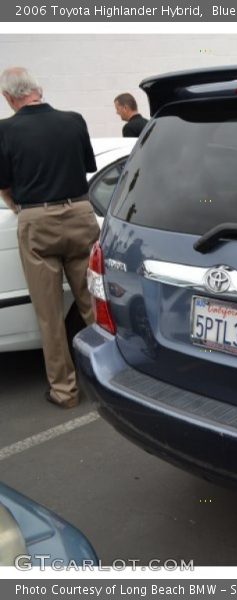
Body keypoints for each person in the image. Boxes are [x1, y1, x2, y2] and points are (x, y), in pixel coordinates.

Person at [0, 67, 98, 409]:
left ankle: (65, 391)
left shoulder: (5, 130)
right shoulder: (74, 120)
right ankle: (113, 379)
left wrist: (17, 205)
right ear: (38, 89)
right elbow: (87, 165)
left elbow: (4, 182)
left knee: (49, 312)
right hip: (80, 214)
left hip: (37, 220)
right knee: (94, 303)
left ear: (8, 98)